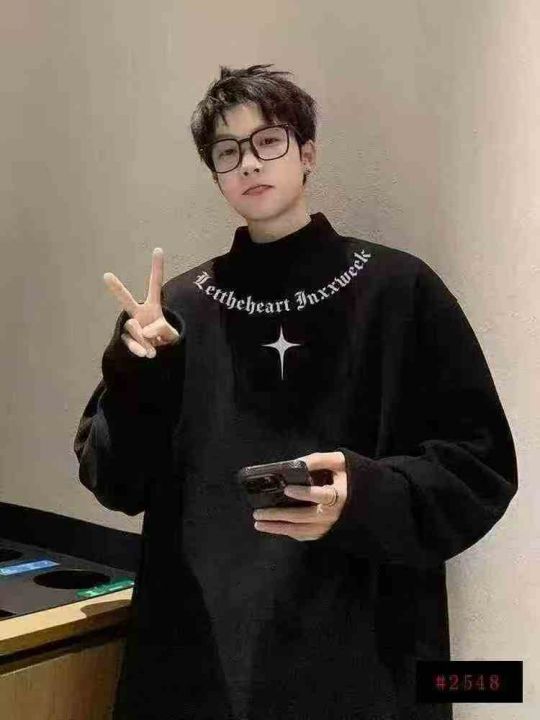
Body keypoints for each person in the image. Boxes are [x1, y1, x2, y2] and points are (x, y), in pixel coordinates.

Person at [73, 64, 518, 720]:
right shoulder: (176, 313)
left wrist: (362, 495)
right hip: (203, 666)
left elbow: (480, 467)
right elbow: (114, 482)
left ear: (307, 153)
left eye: (268, 140)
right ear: (216, 176)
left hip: (363, 662)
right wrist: (134, 370)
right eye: (228, 151)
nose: (249, 162)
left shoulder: (399, 290)